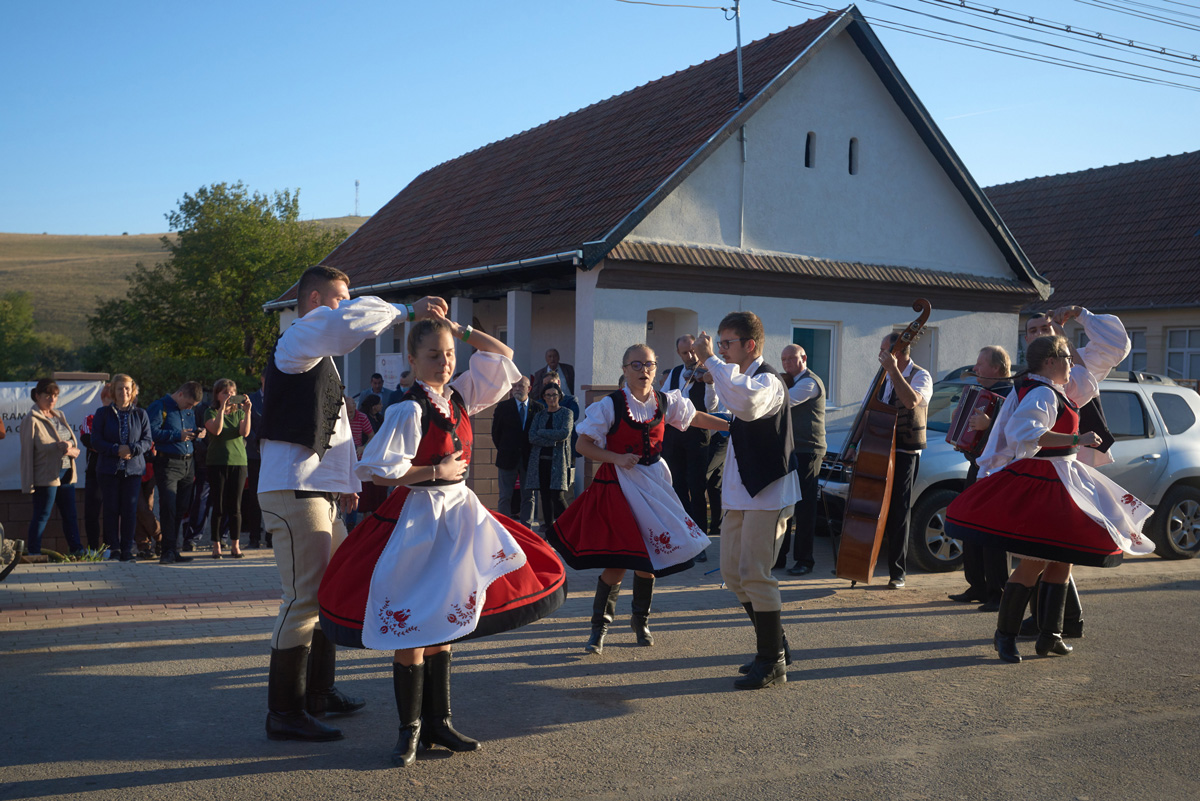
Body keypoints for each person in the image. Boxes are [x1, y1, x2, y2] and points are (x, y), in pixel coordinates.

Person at [316, 316, 566, 767]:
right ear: (412, 359)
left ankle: (439, 722)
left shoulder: (461, 398)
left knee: (444, 625)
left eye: (450, 353)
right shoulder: (408, 409)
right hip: (419, 518)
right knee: (413, 626)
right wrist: (436, 472)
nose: (444, 362)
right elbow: (380, 469)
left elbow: (503, 358)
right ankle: (409, 731)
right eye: (433, 355)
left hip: (457, 516)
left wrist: (460, 329)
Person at [257, 264, 446, 744]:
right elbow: (348, 325)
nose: (349, 304)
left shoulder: (315, 349)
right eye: (342, 296)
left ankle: (318, 693)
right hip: (293, 489)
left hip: (315, 490)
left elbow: (335, 429)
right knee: (302, 599)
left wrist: (346, 482)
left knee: (331, 590)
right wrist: (407, 310)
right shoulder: (300, 335)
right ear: (317, 300)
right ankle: (284, 710)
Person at [945, 334, 1153, 663]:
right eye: (1068, 359)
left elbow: (1100, 366)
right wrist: (1076, 437)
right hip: (1047, 478)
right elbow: (1022, 432)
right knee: (1034, 562)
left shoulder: (1051, 390)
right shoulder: (1042, 392)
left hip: (1064, 478)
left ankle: (1050, 636)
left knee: (1062, 559)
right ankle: (1006, 636)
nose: (1073, 364)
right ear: (1051, 362)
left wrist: (1070, 324)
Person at [550, 344, 725, 654]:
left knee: (649, 562)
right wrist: (615, 457)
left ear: (656, 369)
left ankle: (640, 621)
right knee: (618, 563)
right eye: (636, 365)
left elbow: (695, 416)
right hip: (618, 486)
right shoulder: (610, 405)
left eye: (649, 364)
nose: (644, 370)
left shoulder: (666, 401)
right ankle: (599, 628)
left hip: (654, 483)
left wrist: (732, 426)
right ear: (624, 369)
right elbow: (583, 445)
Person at [695, 313, 801, 690]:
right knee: (732, 574)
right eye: (720, 344)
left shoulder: (769, 379)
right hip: (741, 492)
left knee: (756, 574)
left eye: (727, 343)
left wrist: (710, 361)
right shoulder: (742, 378)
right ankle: (776, 645)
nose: (721, 350)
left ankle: (771, 660)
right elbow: (730, 407)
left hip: (768, 492)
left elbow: (748, 403)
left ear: (749, 345)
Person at [863, 332, 933, 590]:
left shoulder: (921, 375)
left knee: (899, 511)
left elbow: (912, 401)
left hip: (905, 451)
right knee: (873, 507)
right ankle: (862, 562)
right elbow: (868, 411)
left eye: (883, 350)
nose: (879, 355)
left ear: (898, 351)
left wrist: (893, 371)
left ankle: (897, 572)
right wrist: (852, 445)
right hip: (880, 450)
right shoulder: (882, 376)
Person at [947, 346, 1014, 611]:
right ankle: (977, 585)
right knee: (969, 526)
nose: (975, 369)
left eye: (980, 364)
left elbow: (1017, 432)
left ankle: (997, 592)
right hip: (977, 465)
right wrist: (960, 433)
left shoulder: (1013, 395)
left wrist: (990, 422)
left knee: (992, 533)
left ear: (997, 368)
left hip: (999, 472)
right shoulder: (980, 393)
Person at [661, 335, 715, 562]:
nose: (690, 356)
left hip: (696, 437)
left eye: (693, 351)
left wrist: (709, 383)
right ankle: (684, 537)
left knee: (697, 488)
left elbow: (711, 406)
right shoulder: (674, 374)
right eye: (685, 353)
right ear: (679, 354)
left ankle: (700, 540)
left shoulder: (709, 373)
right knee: (678, 488)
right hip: (674, 438)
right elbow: (662, 401)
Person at [19, 379, 84, 557]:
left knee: (70, 514)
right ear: (37, 396)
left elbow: (71, 438)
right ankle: (33, 552)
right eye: (48, 395)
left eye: (55, 396)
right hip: (45, 476)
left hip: (66, 473)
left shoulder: (59, 415)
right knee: (42, 515)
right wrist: (28, 482)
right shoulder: (30, 420)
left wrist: (69, 445)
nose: (52, 399)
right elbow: (26, 454)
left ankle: (77, 550)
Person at [91, 375, 154, 562]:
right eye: (120, 389)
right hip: (108, 470)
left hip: (132, 470)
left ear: (132, 390)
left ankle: (127, 549)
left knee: (129, 510)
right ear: (113, 391)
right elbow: (96, 441)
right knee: (111, 510)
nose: (124, 392)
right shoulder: (102, 414)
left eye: (127, 388)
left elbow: (147, 441)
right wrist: (116, 450)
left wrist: (132, 449)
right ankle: (114, 548)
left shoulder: (141, 414)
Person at [779, 344, 826, 576]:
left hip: (809, 450)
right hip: (792, 451)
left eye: (791, 358)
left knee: (805, 507)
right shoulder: (791, 380)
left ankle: (805, 560)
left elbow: (783, 402)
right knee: (785, 504)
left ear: (803, 358)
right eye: (783, 359)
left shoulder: (809, 382)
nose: (786, 363)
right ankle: (779, 556)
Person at [149, 381, 203, 564]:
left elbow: (188, 432)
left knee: (181, 508)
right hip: (168, 463)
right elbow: (151, 432)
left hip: (188, 463)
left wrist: (198, 434)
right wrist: (176, 436)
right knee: (168, 507)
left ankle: (174, 549)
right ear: (180, 394)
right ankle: (166, 551)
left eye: (192, 407)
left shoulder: (189, 410)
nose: (190, 408)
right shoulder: (159, 406)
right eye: (188, 404)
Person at [205, 379, 252, 559]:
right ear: (217, 394)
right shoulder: (210, 412)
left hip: (238, 462)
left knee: (236, 506)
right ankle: (216, 545)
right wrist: (222, 410)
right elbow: (216, 430)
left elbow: (245, 432)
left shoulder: (239, 412)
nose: (229, 396)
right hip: (217, 462)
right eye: (225, 393)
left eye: (232, 392)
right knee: (218, 505)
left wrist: (247, 412)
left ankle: (235, 545)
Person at [527, 384, 574, 531]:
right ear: (544, 397)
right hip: (540, 462)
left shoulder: (567, 413)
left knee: (557, 496)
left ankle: (573, 525)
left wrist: (543, 432)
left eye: (554, 394)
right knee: (545, 497)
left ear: (559, 396)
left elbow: (564, 433)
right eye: (548, 395)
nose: (552, 398)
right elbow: (532, 437)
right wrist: (552, 439)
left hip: (558, 461)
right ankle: (549, 530)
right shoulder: (539, 415)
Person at [491, 376, 536, 526]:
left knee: (528, 496)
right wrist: (506, 449)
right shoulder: (503, 407)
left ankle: (526, 529)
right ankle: (504, 529)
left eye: (521, 386)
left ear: (529, 389)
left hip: (529, 459)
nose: (517, 389)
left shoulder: (538, 408)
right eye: (514, 386)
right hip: (507, 458)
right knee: (505, 496)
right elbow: (496, 434)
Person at [79, 384, 113, 552]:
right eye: (109, 398)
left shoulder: (127, 418)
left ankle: (109, 548)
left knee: (112, 512)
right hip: (95, 471)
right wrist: (112, 446)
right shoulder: (91, 418)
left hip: (115, 472)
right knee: (92, 512)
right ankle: (93, 548)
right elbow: (88, 440)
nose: (112, 402)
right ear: (103, 399)